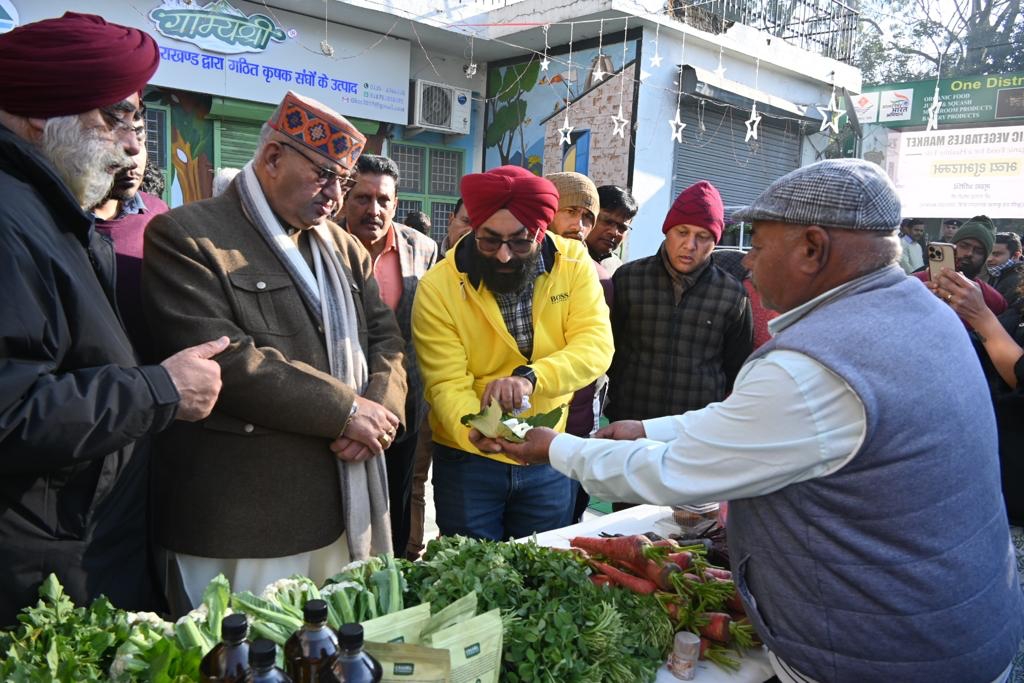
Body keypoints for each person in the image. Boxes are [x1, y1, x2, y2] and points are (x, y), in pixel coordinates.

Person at [501, 158, 1024, 683]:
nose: (746, 262)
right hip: (960, 626)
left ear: (812, 248)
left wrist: (554, 449)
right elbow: (751, 421)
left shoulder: (817, 367)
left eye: (758, 244)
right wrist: (650, 428)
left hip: (884, 654)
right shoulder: (925, 310)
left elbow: (677, 472)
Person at [0, 12, 225, 624]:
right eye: (115, 117)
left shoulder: (50, 212)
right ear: (41, 114)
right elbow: (11, 410)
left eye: (138, 120)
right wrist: (160, 389)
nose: (132, 145)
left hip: (84, 546)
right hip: (39, 571)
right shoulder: (10, 220)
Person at [142, 91, 406, 611]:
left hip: (342, 504)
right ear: (272, 158)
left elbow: (386, 339)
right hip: (242, 518)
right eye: (323, 175)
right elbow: (226, 359)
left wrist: (381, 413)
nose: (335, 195)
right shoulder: (189, 236)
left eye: (343, 181)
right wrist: (347, 412)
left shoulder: (343, 247)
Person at [411, 165, 613, 541]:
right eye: (489, 241)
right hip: (467, 458)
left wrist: (531, 378)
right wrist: (475, 430)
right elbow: (445, 383)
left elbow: (595, 346)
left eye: (519, 243)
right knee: (470, 573)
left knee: (542, 568)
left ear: (540, 231)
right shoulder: (439, 286)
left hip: (546, 449)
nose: (503, 256)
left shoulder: (572, 265)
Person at [343, 154, 437, 554]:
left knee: (397, 498)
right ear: (346, 197)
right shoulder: (320, 243)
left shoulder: (423, 249)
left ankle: (395, 568)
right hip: (341, 396)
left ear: (396, 203)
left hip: (406, 399)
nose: (373, 209)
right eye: (363, 198)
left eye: (383, 200)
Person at [605, 180, 752, 425]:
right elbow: (609, 349)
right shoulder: (628, 279)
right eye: (682, 232)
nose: (690, 245)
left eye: (703, 236)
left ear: (715, 241)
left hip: (695, 429)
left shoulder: (732, 294)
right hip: (629, 422)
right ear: (667, 232)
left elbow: (737, 367)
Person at [92, 108, 170, 362]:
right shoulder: (55, 220)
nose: (133, 160)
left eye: (141, 140)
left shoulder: (159, 216)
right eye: (115, 142)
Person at [914, 216, 1007, 327]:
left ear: (985, 258)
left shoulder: (994, 300)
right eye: (963, 246)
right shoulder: (915, 283)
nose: (969, 253)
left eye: (979, 251)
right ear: (952, 247)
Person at [586, 185, 637, 274]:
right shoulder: (562, 255)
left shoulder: (617, 269)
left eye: (622, 227)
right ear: (588, 216)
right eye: (607, 221)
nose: (614, 232)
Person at [544, 171, 598, 242]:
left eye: (587, 216)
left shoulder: (582, 253)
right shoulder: (527, 251)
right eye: (571, 212)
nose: (579, 227)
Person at [988, 231, 1022, 305]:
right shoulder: (995, 273)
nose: (989, 259)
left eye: (996, 254)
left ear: (1016, 255)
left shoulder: (1019, 281)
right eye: (988, 253)